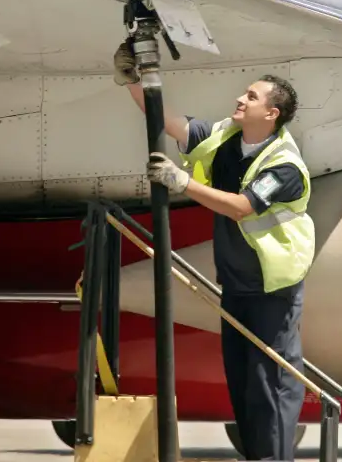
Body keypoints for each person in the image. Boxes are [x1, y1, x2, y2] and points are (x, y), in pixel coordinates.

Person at [113, 42, 316, 461]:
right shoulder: (227, 136)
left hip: (271, 289)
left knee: (269, 385)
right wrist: (134, 82)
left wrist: (182, 183)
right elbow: (170, 124)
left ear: (272, 114)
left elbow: (243, 208)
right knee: (242, 382)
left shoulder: (284, 165)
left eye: (252, 96)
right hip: (237, 283)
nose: (241, 99)